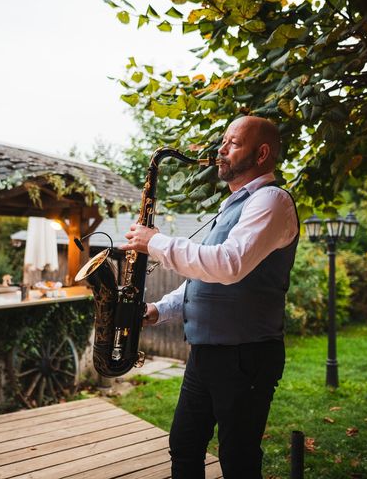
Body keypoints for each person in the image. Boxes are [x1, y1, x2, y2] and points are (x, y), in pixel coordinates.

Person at [119, 115, 299, 478]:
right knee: (184, 446)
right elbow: (206, 276)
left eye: (232, 142)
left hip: (246, 355)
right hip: (207, 354)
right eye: (223, 141)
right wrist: (159, 309)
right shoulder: (233, 204)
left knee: (237, 459)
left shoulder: (271, 201)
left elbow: (228, 265)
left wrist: (154, 241)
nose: (221, 149)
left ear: (262, 153)